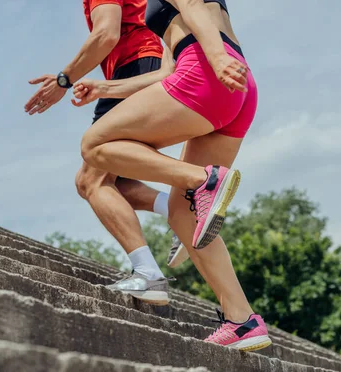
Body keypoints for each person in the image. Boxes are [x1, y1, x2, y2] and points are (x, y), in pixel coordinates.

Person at [71, 0, 271, 351]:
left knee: (95, 144)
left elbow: (192, 5)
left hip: (207, 70)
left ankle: (201, 180)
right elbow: (167, 69)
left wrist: (216, 58)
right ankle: (242, 320)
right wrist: (106, 89)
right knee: (182, 213)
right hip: (236, 81)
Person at [23, 0, 190, 305]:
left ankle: (148, 272)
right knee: (113, 183)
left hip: (135, 66)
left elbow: (106, 34)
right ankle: (178, 209)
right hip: (146, 68)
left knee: (90, 180)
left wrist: (64, 80)